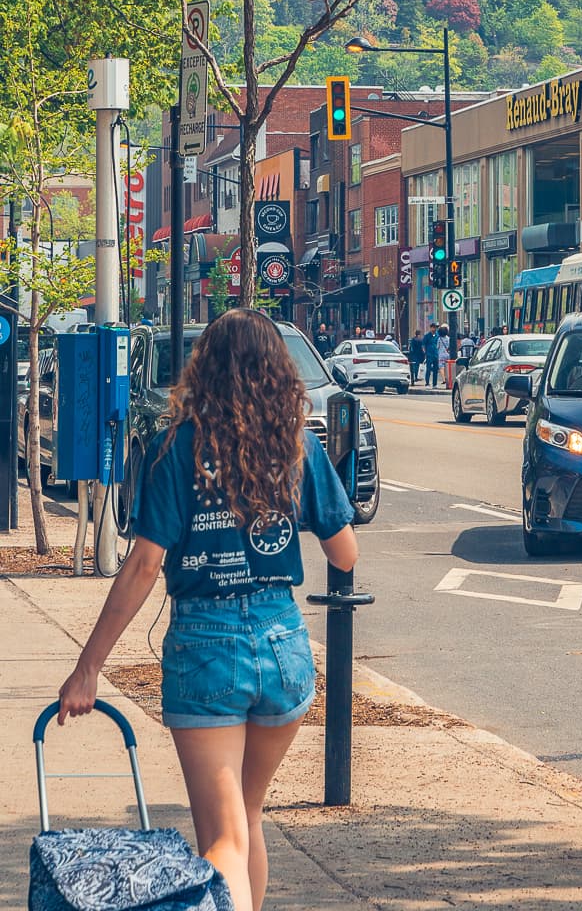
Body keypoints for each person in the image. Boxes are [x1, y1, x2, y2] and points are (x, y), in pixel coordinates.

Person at [55, 309, 357, 911]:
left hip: (207, 649)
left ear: (205, 369)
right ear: (278, 372)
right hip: (282, 645)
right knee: (246, 815)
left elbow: (143, 566)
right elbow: (345, 553)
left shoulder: (178, 448)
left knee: (221, 836)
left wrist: (89, 666)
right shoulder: (298, 446)